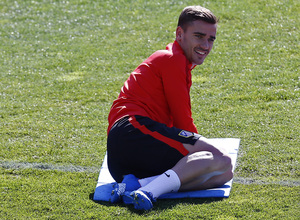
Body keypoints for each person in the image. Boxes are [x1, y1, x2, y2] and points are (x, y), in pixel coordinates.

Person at [96, 6, 233, 210]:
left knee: (223, 174)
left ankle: (137, 187)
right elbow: (182, 120)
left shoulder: (178, 61)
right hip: (133, 131)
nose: (206, 45)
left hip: (125, 156)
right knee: (220, 160)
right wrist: (195, 156)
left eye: (211, 39)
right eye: (199, 36)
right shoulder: (172, 59)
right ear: (180, 34)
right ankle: (149, 191)